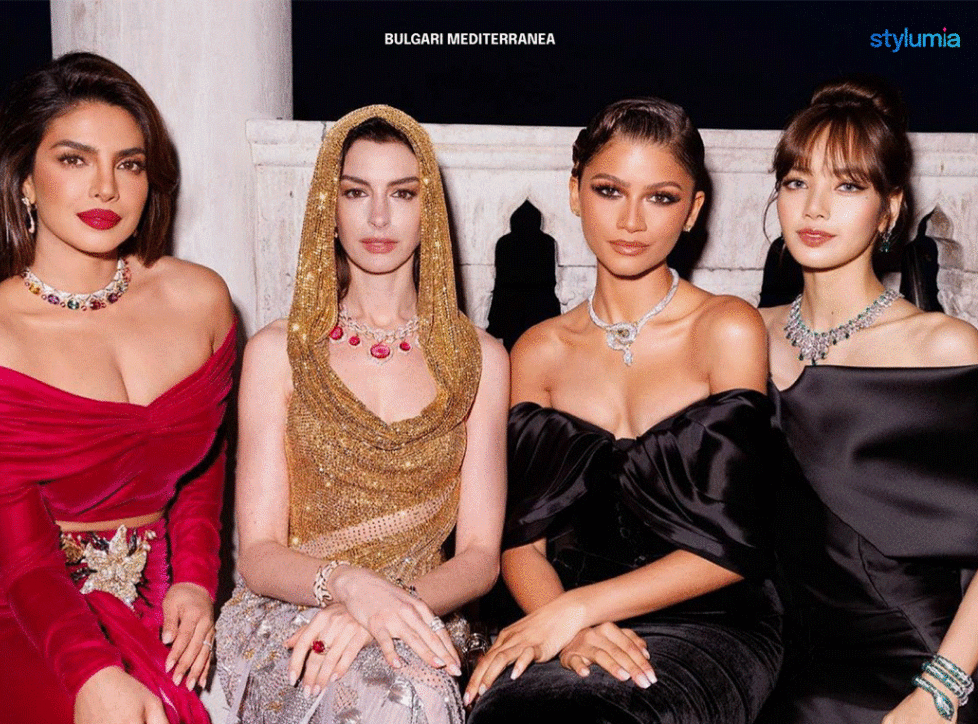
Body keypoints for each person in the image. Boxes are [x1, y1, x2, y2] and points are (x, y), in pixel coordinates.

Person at [464, 98, 782, 723]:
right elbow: (521, 543)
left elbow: (734, 544)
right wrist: (568, 626)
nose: (632, 220)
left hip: (713, 612)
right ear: (575, 192)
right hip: (564, 612)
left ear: (693, 211)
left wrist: (577, 611)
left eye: (661, 198)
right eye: (609, 190)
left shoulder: (727, 328)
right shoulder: (539, 350)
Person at [0, 53, 235, 724]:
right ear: (25, 179)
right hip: (23, 606)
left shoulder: (200, 299)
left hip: (155, 590)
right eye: (74, 160)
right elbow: (25, 561)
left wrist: (196, 580)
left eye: (129, 164)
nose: (106, 188)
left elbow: (203, 457)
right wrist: (92, 674)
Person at [215, 105, 508, 724]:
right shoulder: (278, 353)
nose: (379, 217)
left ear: (430, 210)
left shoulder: (480, 358)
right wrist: (351, 587)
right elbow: (259, 553)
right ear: (329, 205)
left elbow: (481, 557)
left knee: (411, 690)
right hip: (290, 609)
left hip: (422, 607)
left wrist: (387, 606)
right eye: (356, 192)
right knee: (390, 694)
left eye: (402, 193)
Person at [757, 78, 978, 724]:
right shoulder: (741, 335)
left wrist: (939, 692)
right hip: (776, 668)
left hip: (916, 672)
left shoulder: (945, 348)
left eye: (848, 186)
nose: (814, 207)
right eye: (797, 181)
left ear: (889, 210)